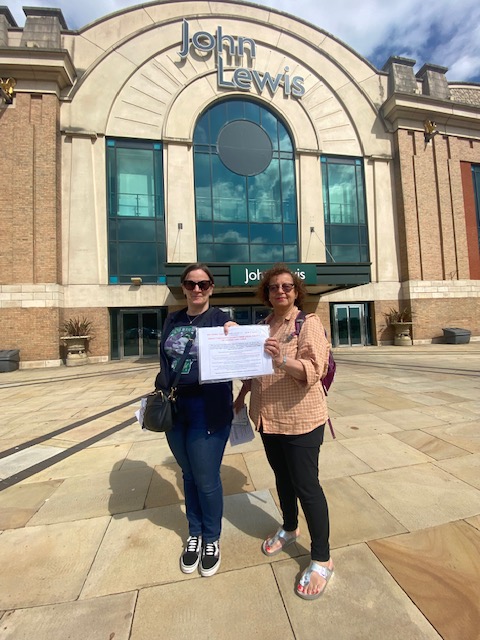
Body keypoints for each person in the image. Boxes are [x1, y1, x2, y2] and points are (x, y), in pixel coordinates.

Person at [234, 264, 333, 600]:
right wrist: (241, 395)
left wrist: (280, 361)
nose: (280, 291)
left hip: (301, 419)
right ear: (266, 293)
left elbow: (314, 370)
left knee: (307, 486)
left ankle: (322, 558)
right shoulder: (263, 326)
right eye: (274, 287)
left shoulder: (308, 323)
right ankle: (290, 527)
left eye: (287, 286)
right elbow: (253, 370)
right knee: (282, 479)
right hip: (268, 419)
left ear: (296, 291)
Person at [155, 263, 235, 577]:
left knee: (206, 477)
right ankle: (195, 532)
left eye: (203, 284)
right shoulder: (172, 319)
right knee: (188, 474)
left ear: (211, 287)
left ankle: (211, 538)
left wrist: (235, 333)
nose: (197, 289)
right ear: (183, 288)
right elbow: (165, 362)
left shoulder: (220, 319)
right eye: (190, 284)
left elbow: (239, 345)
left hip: (208, 408)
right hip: (176, 407)